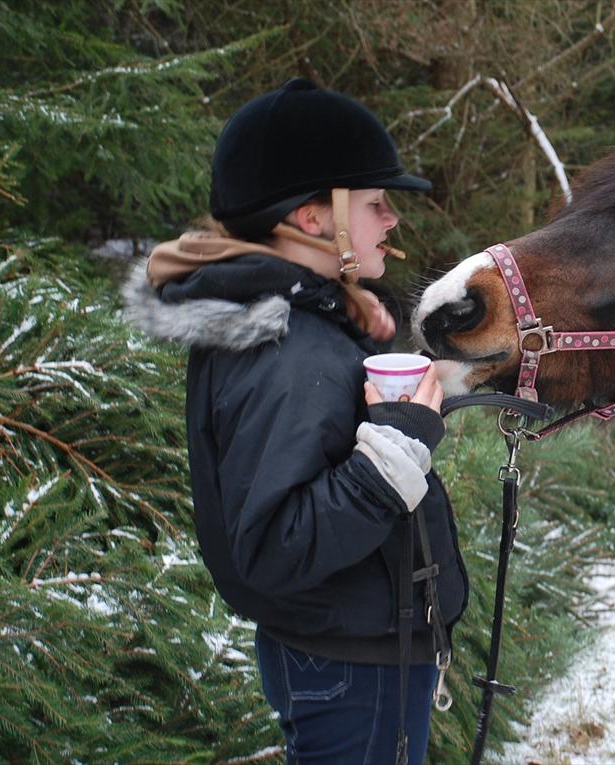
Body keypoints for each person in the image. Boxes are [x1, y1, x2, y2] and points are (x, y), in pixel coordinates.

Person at [124, 77, 466, 765]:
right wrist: (398, 446)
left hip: (347, 651)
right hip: (351, 669)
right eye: (375, 204)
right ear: (313, 219)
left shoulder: (302, 327)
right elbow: (276, 542)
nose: (391, 220)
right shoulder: (288, 346)